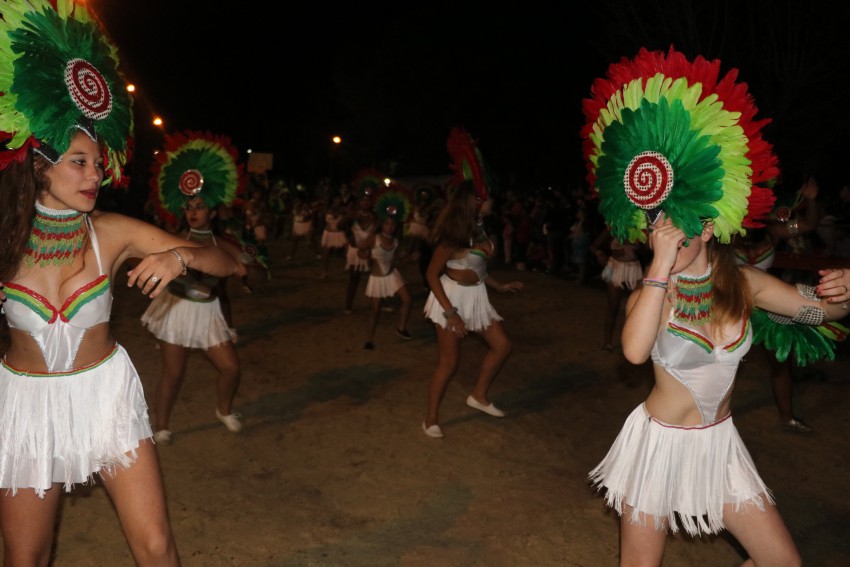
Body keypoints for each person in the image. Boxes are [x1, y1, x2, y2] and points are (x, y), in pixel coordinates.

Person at [581, 46, 850, 566]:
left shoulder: (744, 282)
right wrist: (659, 264)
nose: (661, 240)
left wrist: (844, 295)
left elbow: (817, 312)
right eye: (653, 230)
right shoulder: (652, 291)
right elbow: (634, 353)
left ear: (707, 227)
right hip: (657, 447)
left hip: (719, 448)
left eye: (675, 231)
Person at [0, 4, 234, 562]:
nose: (95, 174)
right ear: (41, 165)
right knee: (24, 555)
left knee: (156, 547)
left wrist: (181, 257)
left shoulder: (112, 231)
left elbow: (230, 259)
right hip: (27, 407)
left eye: (98, 163)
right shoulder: (6, 241)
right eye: (79, 162)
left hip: (105, 398)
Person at [141, 131, 249, 445]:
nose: (193, 210)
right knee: (173, 374)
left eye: (200, 206)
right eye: (189, 205)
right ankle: (161, 424)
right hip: (178, 309)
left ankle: (223, 410)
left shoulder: (224, 244)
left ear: (213, 211)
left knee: (231, 368)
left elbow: (244, 264)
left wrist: (246, 261)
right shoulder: (174, 239)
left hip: (209, 313)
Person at [422, 174, 524, 438]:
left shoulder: (479, 228)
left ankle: (478, 395)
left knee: (502, 346)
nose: (492, 201)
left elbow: (478, 269)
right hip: (451, 297)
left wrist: (500, 286)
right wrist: (450, 314)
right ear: (475, 201)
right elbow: (432, 274)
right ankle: (430, 419)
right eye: (487, 197)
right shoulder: (455, 234)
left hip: (477, 295)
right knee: (449, 362)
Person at [732, 176, 826, 432]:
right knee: (725, 363)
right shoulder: (727, 232)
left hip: (765, 306)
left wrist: (811, 201)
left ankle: (786, 417)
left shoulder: (774, 231)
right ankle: (712, 419)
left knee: (779, 363)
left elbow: (808, 224)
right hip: (732, 305)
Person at [363, 210, 414, 350]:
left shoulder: (396, 241)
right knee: (375, 310)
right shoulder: (375, 238)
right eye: (387, 223)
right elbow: (360, 249)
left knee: (407, 299)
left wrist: (408, 257)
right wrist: (365, 255)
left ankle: (401, 328)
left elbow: (398, 257)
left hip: (392, 274)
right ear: (382, 224)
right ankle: (369, 339)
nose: (390, 226)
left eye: (393, 224)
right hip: (377, 278)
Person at [590, 225, 644, 351]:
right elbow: (594, 245)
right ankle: (607, 343)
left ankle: (633, 344)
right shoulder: (612, 227)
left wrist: (640, 240)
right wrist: (599, 254)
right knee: (613, 308)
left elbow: (646, 249)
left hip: (634, 268)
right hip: (615, 267)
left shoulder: (638, 228)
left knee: (636, 309)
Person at [344, 190, 378, 313]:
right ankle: (348, 306)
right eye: (363, 200)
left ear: (371, 202)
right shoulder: (353, 215)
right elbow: (341, 227)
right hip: (355, 251)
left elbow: (378, 233)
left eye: (368, 200)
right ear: (359, 202)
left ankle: (380, 302)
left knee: (376, 277)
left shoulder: (375, 217)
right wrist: (349, 238)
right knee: (354, 278)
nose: (365, 203)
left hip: (370, 251)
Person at [319, 194, 348, 278]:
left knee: (348, 250)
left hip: (339, 232)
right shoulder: (327, 208)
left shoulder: (343, 209)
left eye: (339, 200)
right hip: (329, 233)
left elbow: (350, 216)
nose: (337, 201)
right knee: (326, 253)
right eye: (336, 199)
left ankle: (351, 267)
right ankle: (324, 271)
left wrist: (344, 221)